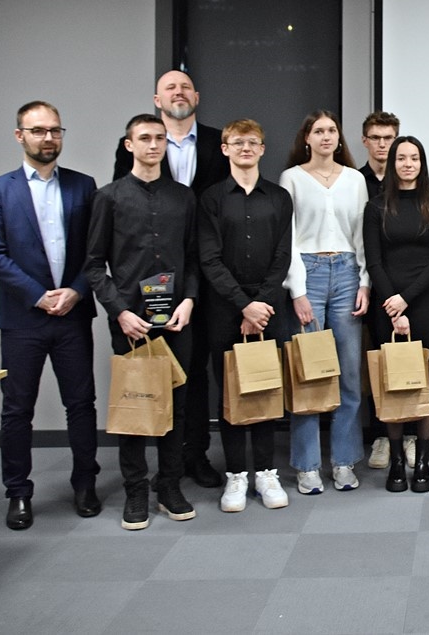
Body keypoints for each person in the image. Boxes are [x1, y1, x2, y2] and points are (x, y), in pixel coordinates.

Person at [0, 101, 100, 530]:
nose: (48, 138)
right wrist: (38, 296)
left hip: (72, 313)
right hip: (23, 318)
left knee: (81, 405)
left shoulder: (83, 186)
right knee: (17, 409)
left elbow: (95, 251)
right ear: (20, 136)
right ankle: (18, 493)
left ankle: (85, 484)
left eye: (55, 130)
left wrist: (76, 290)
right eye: (38, 131)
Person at [112, 70, 229, 491]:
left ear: (196, 96)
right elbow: (124, 208)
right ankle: (149, 470)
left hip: (202, 278)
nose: (178, 92)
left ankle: (193, 456)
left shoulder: (217, 142)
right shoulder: (137, 144)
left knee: (194, 371)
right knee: (144, 375)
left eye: (184, 87)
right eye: (169, 88)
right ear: (157, 100)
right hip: (145, 282)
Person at [85, 113, 199, 530]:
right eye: (145, 138)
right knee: (134, 406)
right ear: (129, 145)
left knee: (177, 407)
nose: (154, 145)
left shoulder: (184, 198)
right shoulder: (109, 197)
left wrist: (189, 300)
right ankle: (135, 490)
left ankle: (168, 485)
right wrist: (119, 311)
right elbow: (94, 265)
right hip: (130, 320)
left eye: (160, 138)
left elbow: (193, 258)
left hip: (176, 319)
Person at [198, 119, 292, 513]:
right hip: (225, 309)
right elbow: (209, 258)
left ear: (263, 149)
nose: (246, 148)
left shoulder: (279, 197)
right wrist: (243, 305)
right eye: (237, 142)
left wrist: (260, 306)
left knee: (266, 388)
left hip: (269, 309)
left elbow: (283, 255)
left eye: (253, 142)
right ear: (225, 149)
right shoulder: (211, 198)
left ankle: (266, 473)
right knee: (231, 391)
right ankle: (236, 474)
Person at [280, 110, 370, 495]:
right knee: (309, 373)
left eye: (332, 130)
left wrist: (365, 281)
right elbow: (288, 237)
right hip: (309, 274)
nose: (326, 136)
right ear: (307, 138)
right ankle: (308, 466)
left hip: (348, 272)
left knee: (348, 373)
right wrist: (297, 290)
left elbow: (362, 234)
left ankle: (344, 461)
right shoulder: (292, 178)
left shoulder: (355, 179)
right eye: (318, 131)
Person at [364, 136, 429, 493]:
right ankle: (397, 460)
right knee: (393, 382)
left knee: (424, 381)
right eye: (401, 158)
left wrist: (407, 300)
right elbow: (374, 261)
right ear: (393, 163)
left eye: (414, 158)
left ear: (421, 163)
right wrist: (393, 303)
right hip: (387, 303)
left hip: (425, 302)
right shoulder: (376, 207)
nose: (408, 164)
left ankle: (423, 462)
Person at [357, 111, 402, 472]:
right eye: (376, 137)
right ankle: (381, 436)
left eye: (389, 138)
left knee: (410, 357)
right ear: (365, 141)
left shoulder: (409, 180)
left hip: (408, 285)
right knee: (376, 360)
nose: (382, 144)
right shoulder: (354, 182)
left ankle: (411, 434)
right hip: (370, 285)